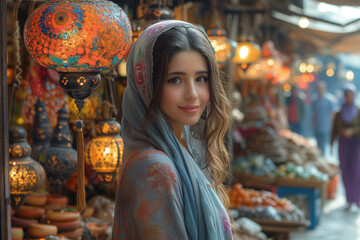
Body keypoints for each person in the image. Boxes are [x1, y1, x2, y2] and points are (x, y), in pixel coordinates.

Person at [113, 20, 233, 239]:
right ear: (146, 85)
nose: (193, 94)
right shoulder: (155, 167)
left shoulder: (178, 150)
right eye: (175, 80)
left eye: (201, 79)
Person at [331, 83, 360, 209]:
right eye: (346, 95)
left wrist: (352, 132)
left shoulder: (358, 111)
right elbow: (334, 129)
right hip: (343, 144)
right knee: (345, 169)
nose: (348, 97)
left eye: (351, 94)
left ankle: (357, 198)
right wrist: (331, 143)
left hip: (356, 144)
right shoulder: (339, 112)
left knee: (355, 170)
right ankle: (349, 199)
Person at [312, 81, 336, 155]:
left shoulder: (329, 100)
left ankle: (322, 157)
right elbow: (314, 113)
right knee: (318, 144)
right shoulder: (315, 99)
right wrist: (312, 123)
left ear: (325, 89)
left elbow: (332, 114)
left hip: (326, 126)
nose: (320, 90)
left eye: (321, 88)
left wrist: (333, 126)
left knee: (323, 145)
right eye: (318, 88)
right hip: (317, 125)